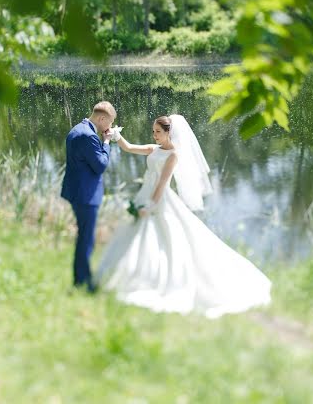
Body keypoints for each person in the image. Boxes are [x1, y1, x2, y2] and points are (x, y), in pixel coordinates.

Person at [96, 114, 271, 318]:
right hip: (145, 194)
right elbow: (130, 148)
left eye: (158, 132)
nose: (154, 135)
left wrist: (151, 205)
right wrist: (116, 137)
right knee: (138, 235)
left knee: (162, 236)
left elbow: (162, 182)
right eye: (153, 131)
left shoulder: (173, 155)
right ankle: (135, 276)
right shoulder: (155, 149)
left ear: (169, 133)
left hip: (158, 199)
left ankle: (159, 279)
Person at [61, 101, 116, 292]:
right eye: (108, 123)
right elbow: (100, 165)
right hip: (85, 195)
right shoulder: (88, 136)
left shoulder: (79, 128)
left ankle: (81, 278)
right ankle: (83, 282)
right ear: (101, 119)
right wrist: (107, 142)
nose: (109, 127)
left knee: (84, 236)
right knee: (86, 239)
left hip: (77, 191)